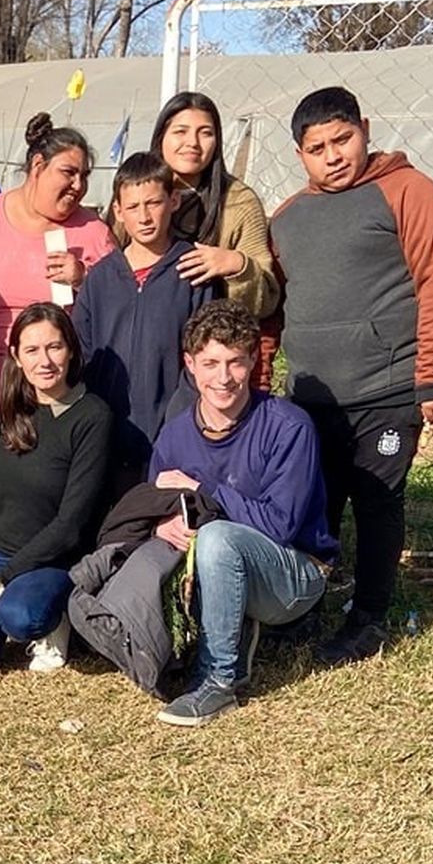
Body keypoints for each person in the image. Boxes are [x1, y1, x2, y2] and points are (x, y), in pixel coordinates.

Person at [270, 86, 433, 666]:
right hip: (311, 393)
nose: (332, 155)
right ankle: (300, 607)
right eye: (316, 147)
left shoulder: (409, 192)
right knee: (314, 501)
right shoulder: (288, 217)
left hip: (386, 387)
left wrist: (432, 374)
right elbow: (274, 307)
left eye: (342, 139)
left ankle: (369, 616)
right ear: (300, 154)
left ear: (365, 129)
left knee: (376, 500)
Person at [146, 300, 337, 726]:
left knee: (217, 537)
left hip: (296, 570)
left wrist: (202, 491)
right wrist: (163, 523)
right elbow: (153, 498)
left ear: (253, 360)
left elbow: (281, 525)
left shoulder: (289, 425)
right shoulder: (174, 433)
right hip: (215, 566)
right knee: (184, 542)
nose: (223, 377)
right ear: (190, 364)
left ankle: (217, 681)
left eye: (235, 362)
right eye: (210, 363)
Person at [0, 112, 118, 559]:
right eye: (68, 172)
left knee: (32, 500)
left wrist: (85, 276)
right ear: (37, 166)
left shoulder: (92, 232)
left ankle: (35, 571)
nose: (77, 185)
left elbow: (121, 300)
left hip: (49, 395)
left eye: (84, 176)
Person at [0, 303, 114, 678]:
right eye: (32, 350)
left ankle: (56, 618)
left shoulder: (92, 416)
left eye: (54, 347)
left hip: (54, 556)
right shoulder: (11, 408)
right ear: (17, 357)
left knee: (21, 617)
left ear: (71, 349)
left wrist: (9, 574)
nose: (45, 361)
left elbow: (71, 523)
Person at [74, 153, 213, 497]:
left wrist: (178, 421)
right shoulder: (102, 278)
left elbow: (203, 353)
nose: (145, 216)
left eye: (153, 203)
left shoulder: (192, 270)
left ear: (174, 201)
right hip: (108, 435)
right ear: (118, 212)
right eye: (133, 207)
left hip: (172, 432)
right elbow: (84, 352)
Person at [142, 91, 280, 321]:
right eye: (180, 131)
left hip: (213, 345)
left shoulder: (239, 202)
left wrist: (237, 265)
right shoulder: (134, 193)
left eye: (205, 133)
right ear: (160, 138)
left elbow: (266, 301)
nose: (192, 143)